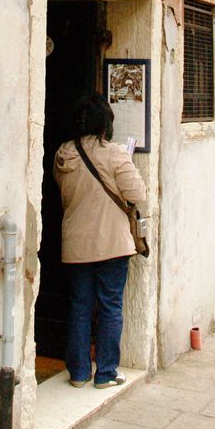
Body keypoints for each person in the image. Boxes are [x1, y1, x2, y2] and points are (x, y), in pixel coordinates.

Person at [53, 93, 146, 388]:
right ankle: (105, 373)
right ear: (105, 122)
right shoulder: (114, 154)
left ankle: (79, 373)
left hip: (76, 243)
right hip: (111, 243)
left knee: (80, 307)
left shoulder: (63, 154)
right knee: (110, 306)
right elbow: (138, 193)